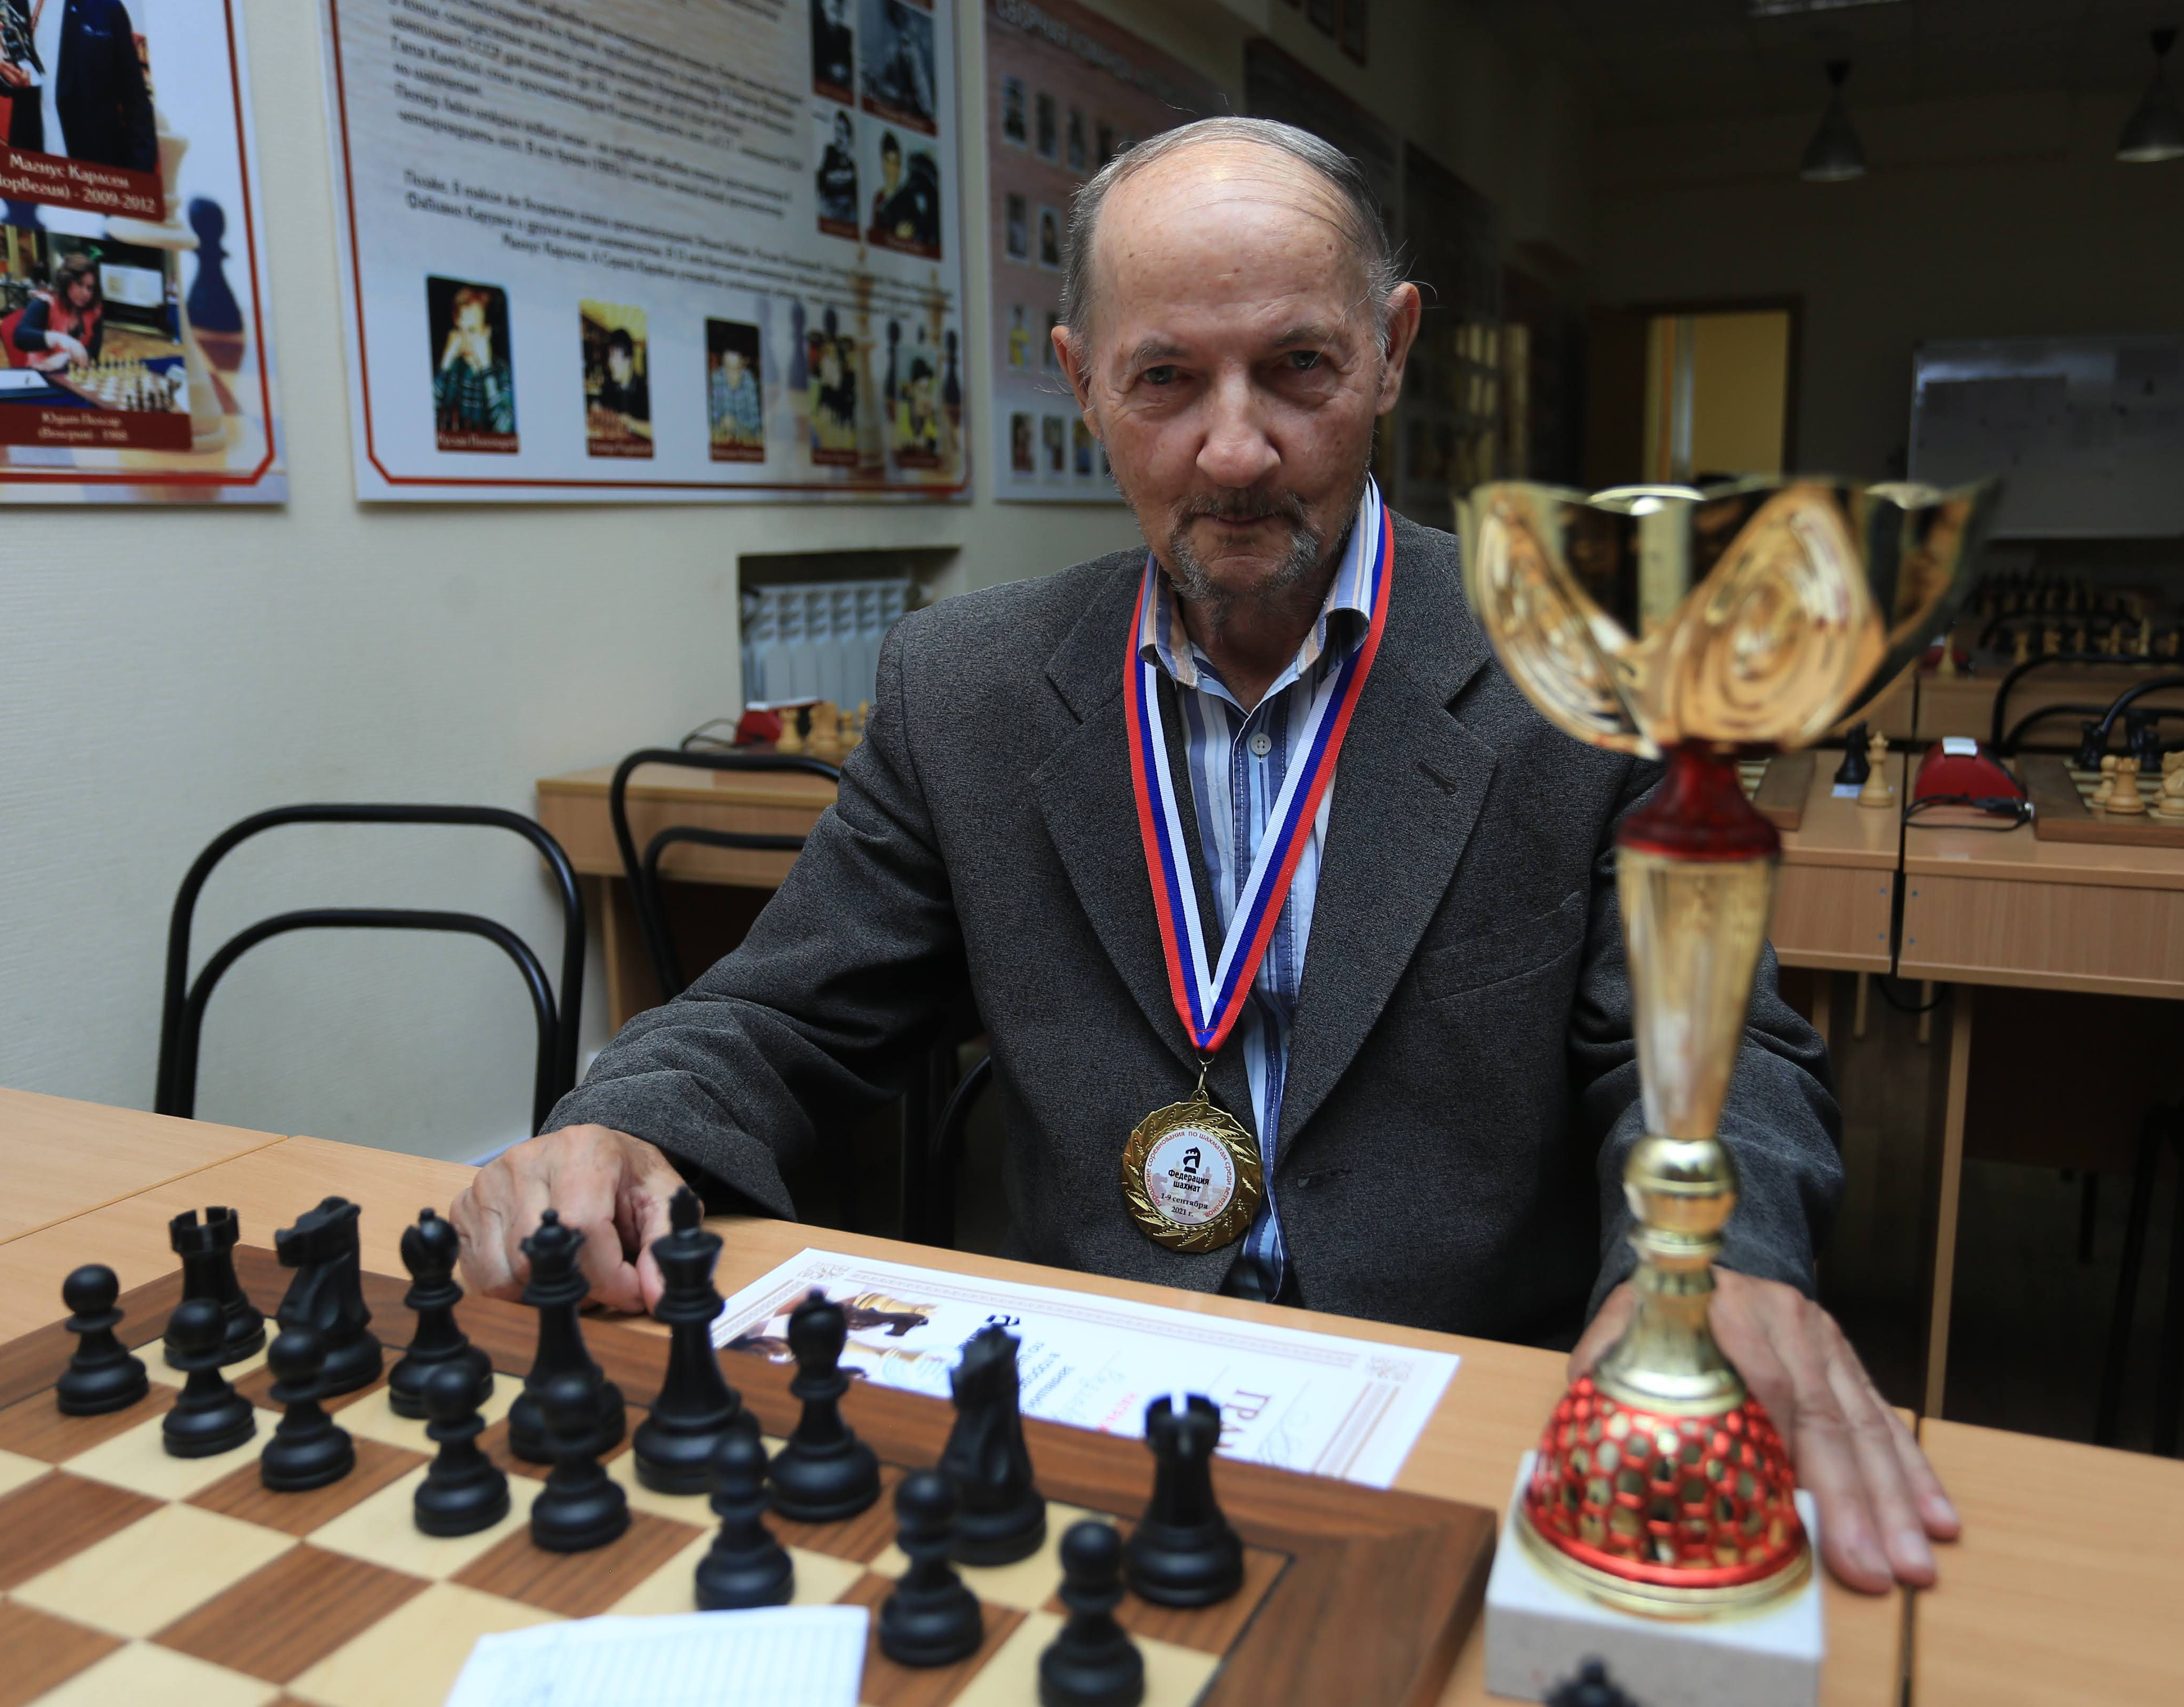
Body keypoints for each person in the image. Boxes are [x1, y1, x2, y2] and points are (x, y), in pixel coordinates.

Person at [451, 115, 1955, 1596]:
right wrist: (623, 1122)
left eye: (1299, 366)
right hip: (1083, 1411)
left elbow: (1717, 1061)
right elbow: (782, 1011)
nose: (1234, 450)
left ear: (1391, 349)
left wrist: (1714, 1266)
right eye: (1164, 378)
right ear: (1081, 381)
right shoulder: (965, 687)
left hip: (1459, 1416)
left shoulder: (1580, 669)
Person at [0, 0, 158, 174]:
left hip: (97, 172)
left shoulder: (107, 8)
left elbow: (136, 102)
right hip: (30, 167)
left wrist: (138, 179)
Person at [433, 285, 511, 435]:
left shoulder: (502, 373)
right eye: (459, 330)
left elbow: (505, 429)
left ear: (487, 332)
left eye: (472, 331)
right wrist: (444, 365)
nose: (464, 341)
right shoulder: (452, 368)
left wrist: (486, 370)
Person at [8, 252, 102, 374]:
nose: (86, 293)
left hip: (76, 376)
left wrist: (66, 357)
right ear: (66, 282)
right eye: (79, 284)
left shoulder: (94, 311)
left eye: (90, 288)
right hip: (43, 373)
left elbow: (94, 354)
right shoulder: (46, 303)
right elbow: (20, 337)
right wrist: (57, 338)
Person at [869, 132, 938, 253]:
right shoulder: (879, 199)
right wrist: (896, 237)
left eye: (896, 163)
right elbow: (875, 239)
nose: (893, 169)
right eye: (889, 162)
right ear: (883, 163)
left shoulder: (908, 196)